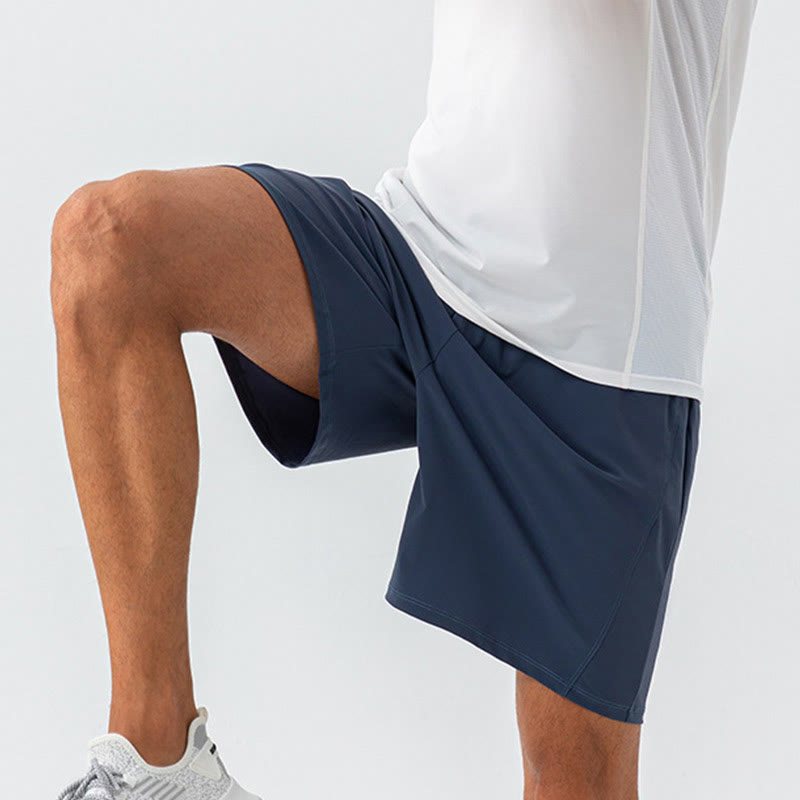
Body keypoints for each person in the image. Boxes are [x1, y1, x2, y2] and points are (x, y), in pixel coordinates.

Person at [50, 2, 758, 798]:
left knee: (573, 777)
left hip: (606, 348)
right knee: (108, 243)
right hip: (426, 254)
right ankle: (161, 768)